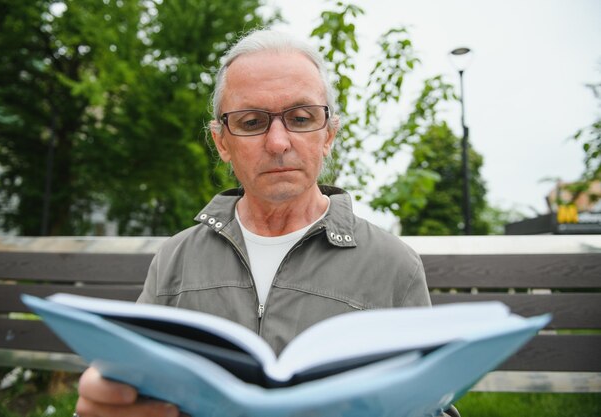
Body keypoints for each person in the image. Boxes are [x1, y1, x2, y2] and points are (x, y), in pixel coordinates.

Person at [75, 29, 456, 417]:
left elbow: (426, 404)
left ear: (328, 135)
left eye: (301, 118)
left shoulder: (394, 265)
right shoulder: (176, 258)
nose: (278, 142)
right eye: (253, 121)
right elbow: (131, 384)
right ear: (222, 142)